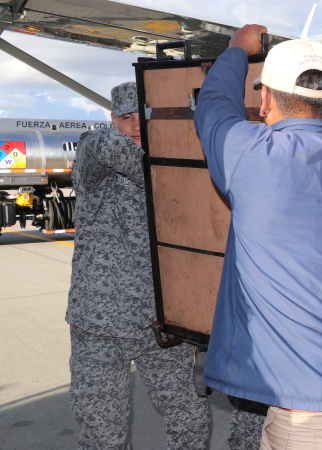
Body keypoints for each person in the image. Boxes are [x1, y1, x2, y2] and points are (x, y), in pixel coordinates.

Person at [194, 24, 322, 450]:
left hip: (315, 415)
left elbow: (212, 108)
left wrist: (236, 51)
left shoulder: (252, 154)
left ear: (264, 100)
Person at [67, 82, 211, 449]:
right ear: (113, 119)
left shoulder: (183, 172)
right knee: (103, 433)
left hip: (160, 326)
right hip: (100, 327)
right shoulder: (97, 162)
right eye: (126, 117)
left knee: (189, 418)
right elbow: (102, 144)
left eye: (144, 118)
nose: (134, 125)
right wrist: (159, 168)